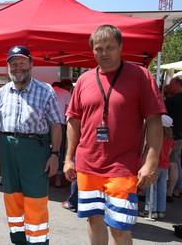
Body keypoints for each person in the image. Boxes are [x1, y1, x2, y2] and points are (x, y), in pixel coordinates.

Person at [63, 25, 165, 245]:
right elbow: (73, 120)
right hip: (88, 165)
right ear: (92, 51)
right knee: (93, 220)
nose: (104, 53)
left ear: (120, 47)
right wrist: (68, 158)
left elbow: (155, 122)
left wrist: (151, 162)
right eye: (98, 48)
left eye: (109, 47)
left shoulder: (141, 76)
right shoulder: (84, 80)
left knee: (119, 228)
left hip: (123, 167)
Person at [0, 45, 63, 245]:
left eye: (22, 62)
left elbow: (56, 125)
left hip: (35, 150)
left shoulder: (45, 91)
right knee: (12, 198)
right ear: (8, 67)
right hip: (7, 148)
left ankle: (38, 242)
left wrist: (55, 154)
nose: (17, 67)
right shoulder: (1, 93)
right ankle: (19, 240)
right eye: (13, 63)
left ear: (31, 64)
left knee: (36, 199)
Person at [141, 115, 174, 219]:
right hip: (165, 165)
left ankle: (151, 210)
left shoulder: (156, 138)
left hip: (156, 165)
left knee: (152, 188)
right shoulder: (170, 140)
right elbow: (168, 154)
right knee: (162, 189)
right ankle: (161, 210)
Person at [51, 81, 71, 188]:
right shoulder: (66, 93)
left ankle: (45, 176)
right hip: (60, 124)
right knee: (58, 150)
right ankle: (58, 180)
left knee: (45, 150)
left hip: (45, 124)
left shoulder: (46, 90)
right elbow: (68, 112)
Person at [166, 73, 182, 202]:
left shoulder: (172, 101)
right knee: (175, 163)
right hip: (179, 136)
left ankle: (169, 192)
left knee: (170, 164)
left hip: (170, 136)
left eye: (171, 84)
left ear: (177, 85)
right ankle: (174, 190)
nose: (168, 86)